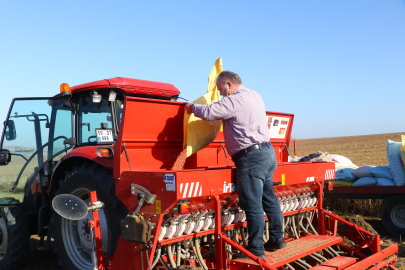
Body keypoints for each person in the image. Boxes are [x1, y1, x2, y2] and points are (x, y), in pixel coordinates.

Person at [185, 71, 286, 259]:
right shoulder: (255, 95)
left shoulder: (234, 101)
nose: (220, 92)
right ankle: (277, 239)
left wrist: (192, 108)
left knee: (252, 204)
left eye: (221, 88)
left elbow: (210, 112)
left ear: (229, 84)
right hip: (267, 153)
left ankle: (255, 249)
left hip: (250, 158)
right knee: (269, 199)